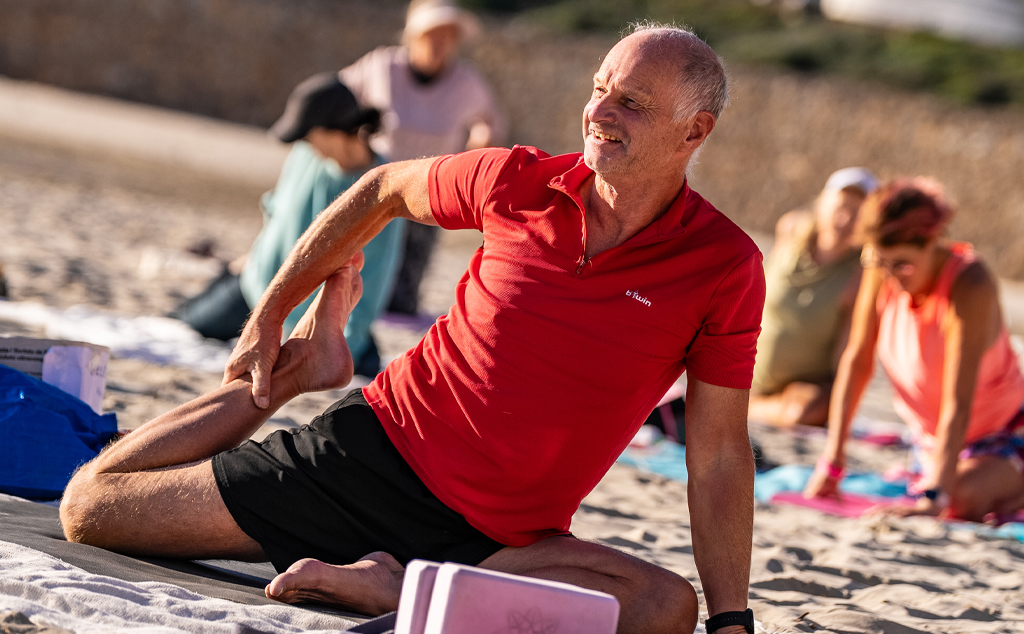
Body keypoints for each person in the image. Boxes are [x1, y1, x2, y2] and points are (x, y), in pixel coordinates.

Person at [61, 25, 764, 634]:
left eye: (631, 103)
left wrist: (731, 620)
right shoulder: (515, 181)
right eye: (599, 88)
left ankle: (400, 587)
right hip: (365, 459)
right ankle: (296, 380)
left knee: (662, 608)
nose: (598, 112)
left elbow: (720, 456)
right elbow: (382, 188)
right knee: (92, 508)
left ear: (694, 130)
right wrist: (274, 315)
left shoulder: (723, 266)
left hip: (500, 544)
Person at [804, 178, 1024, 522]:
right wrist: (832, 464)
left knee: (958, 502)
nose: (891, 277)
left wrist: (937, 492)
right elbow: (857, 361)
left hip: (1005, 434)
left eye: (903, 264)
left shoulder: (970, 283)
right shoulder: (882, 270)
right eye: (881, 262)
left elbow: (958, 398)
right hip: (933, 445)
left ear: (933, 242)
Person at [172, 73, 404, 376]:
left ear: (331, 130)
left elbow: (375, 276)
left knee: (361, 364)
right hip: (254, 283)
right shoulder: (305, 154)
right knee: (182, 322)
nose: (304, 143)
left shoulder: (381, 187)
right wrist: (249, 258)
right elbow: (275, 210)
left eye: (307, 135)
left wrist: (348, 338)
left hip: (311, 312)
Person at [339, 0, 505, 316]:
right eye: (432, 34)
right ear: (413, 36)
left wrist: (482, 137)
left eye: (448, 36)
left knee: (401, 302)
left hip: (430, 192)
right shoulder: (383, 66)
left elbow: (492, 120)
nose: (440, 43)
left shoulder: (466, 82)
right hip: (377, 184)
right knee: (358, 280)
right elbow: (336, 95)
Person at [748, 167, 877, 427]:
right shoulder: (790, 230)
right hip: (749, 368)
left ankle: (749, 407)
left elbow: (849, 348)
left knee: (804, 412)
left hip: (803, 386)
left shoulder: (861, 273)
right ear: (824, 203)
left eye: (857, 212)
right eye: (841, 206)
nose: (845, 219)